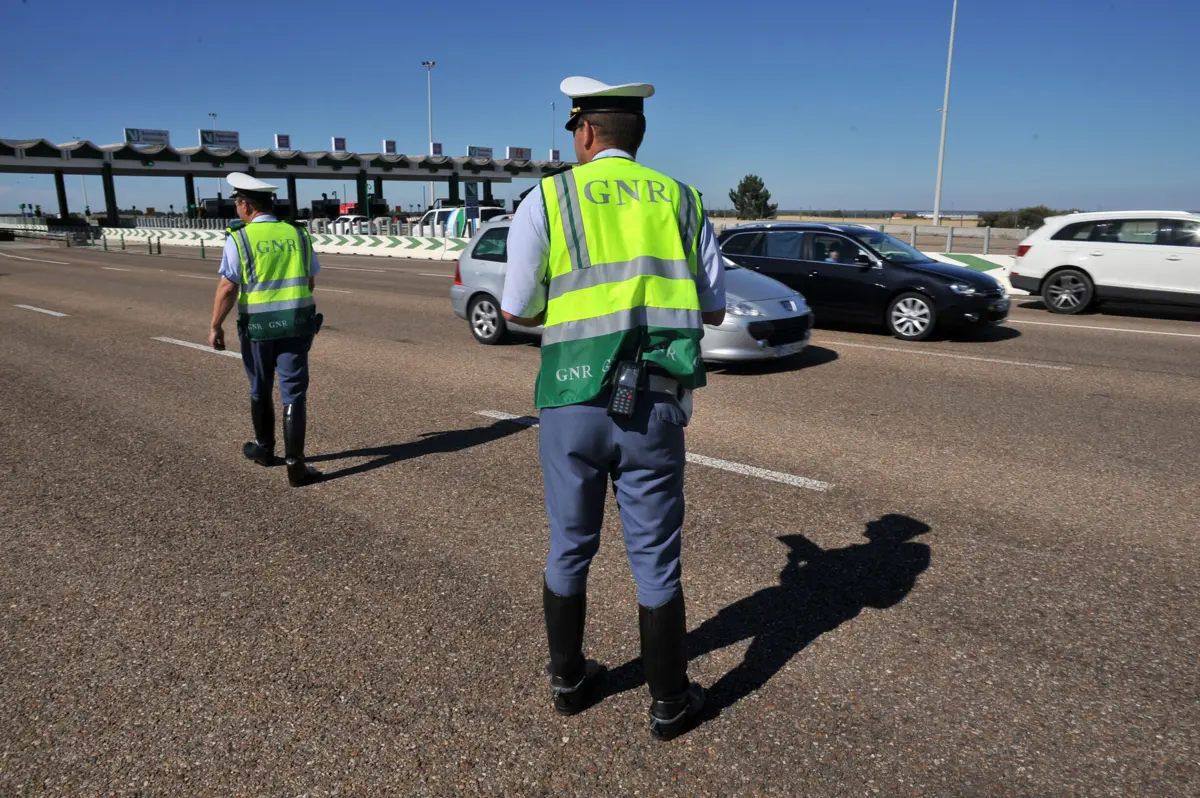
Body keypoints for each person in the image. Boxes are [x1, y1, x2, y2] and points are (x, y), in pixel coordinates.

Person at [501, 76, 727, 741]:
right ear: (637, 134)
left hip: (571, 400)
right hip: (653, 402)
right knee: (655, 560)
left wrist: (567, 313)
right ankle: (669, 704)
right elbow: (712, 307)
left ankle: (569, 684)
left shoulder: (548, 198)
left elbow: (515, 305)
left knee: (569, 546)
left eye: (573, 131)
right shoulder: (683, 201)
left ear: (587, 132)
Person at [208, 172, 323, 488]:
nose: (236, 209)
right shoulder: (298, 235)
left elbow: (228, 286)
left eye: (236, 203)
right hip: (297, 325)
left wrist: (216, 325)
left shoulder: (239, 238)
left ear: (245, 205)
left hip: (258, 329)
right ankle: (295, 466)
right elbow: (310, 279)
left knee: (260, 387)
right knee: (294, 391)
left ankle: (264, 449)